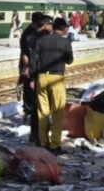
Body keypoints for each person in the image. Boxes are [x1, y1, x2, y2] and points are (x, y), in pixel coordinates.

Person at [31, 17, 74, 154]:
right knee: (58, 112)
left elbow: (34, 61)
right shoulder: (65, 42)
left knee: (43, 112)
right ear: (64, 29)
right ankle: (55, 145)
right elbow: (69, 60)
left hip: (42, 77)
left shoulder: (40, 41)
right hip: (57, 79)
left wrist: (33, 78)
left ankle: (44, 143)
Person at [19, 12, 45, 144]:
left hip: (34, 67)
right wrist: (27, 67)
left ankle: (33, 119)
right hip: (29, 68)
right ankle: (28, 115)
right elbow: (25, 53)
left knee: (34, 96)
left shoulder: (36, 32)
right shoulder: (28, 34)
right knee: (30, 94)